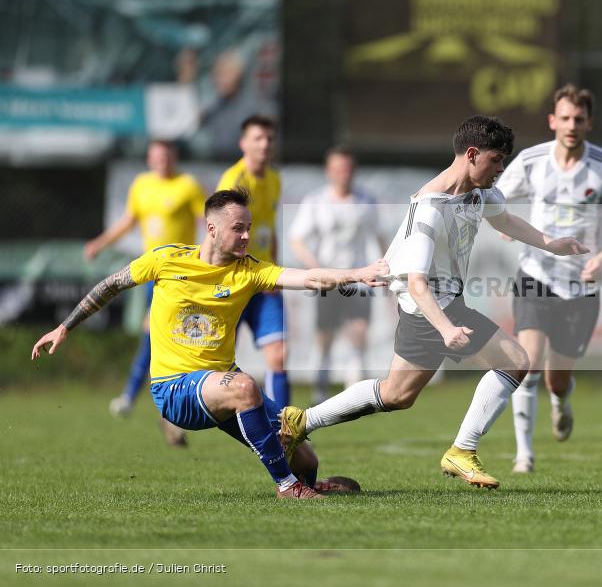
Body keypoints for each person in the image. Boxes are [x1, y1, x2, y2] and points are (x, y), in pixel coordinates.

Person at [276, 115, 589, 490]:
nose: (501, 169)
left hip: (440, 303)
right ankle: (462, 450)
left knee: (397, 394)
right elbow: (416, 283)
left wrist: (551, 244)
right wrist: (446, 328)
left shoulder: (480, 191)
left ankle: (302, 420)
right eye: (495, 160)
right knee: (516, 360)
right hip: (428, 308)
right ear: (471, 155)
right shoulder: (430, 207)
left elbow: (505, 221)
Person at [33, 188, 387, 499]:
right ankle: (287, 487)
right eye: (238, 228)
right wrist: (65, 326)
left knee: (304, 454)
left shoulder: (248, 271)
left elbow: (307, 277)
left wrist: (357, 274)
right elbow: (111, 284)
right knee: (246, 387)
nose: (247, 235)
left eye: (249, 227)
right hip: (174, 389)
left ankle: (308, 483)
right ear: (212, 229)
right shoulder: (166, 259)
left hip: (219, 382)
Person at [495, 84, 602, 474]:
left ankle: (560, 400)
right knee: (527, 363)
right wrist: (506, 225)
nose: (572, 125)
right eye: (565, 118)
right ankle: (524, 455)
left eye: (579, 119)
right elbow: (495, 200)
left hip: (582, 285)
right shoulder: (531, 161)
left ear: (589, 123)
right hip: (535, 273)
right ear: (552, 121)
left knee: (556, 379)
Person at [84, 140, 205, 446]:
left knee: (169, 338)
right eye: (157, 156)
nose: (162, 161)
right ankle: (150, 405)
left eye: (167, 155)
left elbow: (206, 222)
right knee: (157, 337)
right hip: (154, 275)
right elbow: (128, 222)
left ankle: (155, 405)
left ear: (174, 157)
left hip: (183, 275)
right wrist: (100, 243)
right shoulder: (141, 185)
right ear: (150, 159)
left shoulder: (187, 185)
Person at [289, 146, 388, 404]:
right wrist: (315, 268)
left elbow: (380, 236)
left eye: (348, 168)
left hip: (360, 279)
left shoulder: (366, 201)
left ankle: (354, 397)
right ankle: (320, 390)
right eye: (339, 169)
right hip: (329, 281)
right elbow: (297, 239)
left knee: (358, 333)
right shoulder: (316, 201)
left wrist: (386, 270)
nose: (345, 173)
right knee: (325, 337)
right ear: (329, 171)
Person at [216, 115, 291, 410]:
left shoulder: (274, 179)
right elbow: (222, 235)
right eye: (258, 138)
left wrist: (274, 270)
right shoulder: (233, 181)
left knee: (279, 355)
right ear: (243, 143)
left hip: (263, 280)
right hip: (234, 279)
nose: (265, 144)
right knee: (220, 360)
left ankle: (284, 426)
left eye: (269, 138)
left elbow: (269, 229)